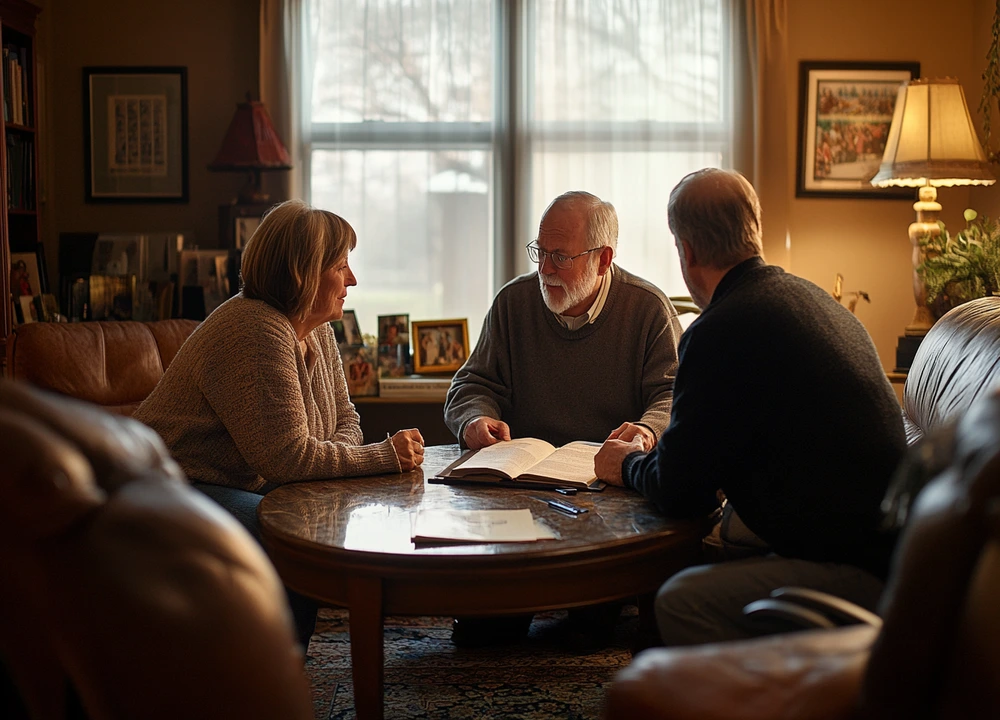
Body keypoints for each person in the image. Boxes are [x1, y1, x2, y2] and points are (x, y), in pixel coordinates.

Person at [595, 168, 907, 647]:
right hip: (895, 552)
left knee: (677, 600)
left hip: (859, 576)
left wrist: (627, 464)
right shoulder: (813, 301)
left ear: (688, 251)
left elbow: (681, 492)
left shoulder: (721, 329)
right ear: (754, 230)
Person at [135, 200, 425, 651]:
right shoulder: (255, 329)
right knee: (290, 536)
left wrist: (351, 451)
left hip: (240, 480)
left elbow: (346, 418)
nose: (352, 280)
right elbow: (289, 457)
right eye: (341, 267)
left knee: (307, 515)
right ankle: (272, 671)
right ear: (304, 273)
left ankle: (285, 664)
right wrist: (382, 455)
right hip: (172, 485)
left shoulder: (318, 326)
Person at [444, 190, 683, 649]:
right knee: (480, 636)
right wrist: (474, 420)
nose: (545, 269)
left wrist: (648, 431)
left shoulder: (648, 308)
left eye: (560, 257)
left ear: (603, 258)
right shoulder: (514, 302)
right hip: (520, 487)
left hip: (607, 495)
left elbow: (672, 395)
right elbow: (470, 385)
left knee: (587, 631)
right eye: (540, 252)